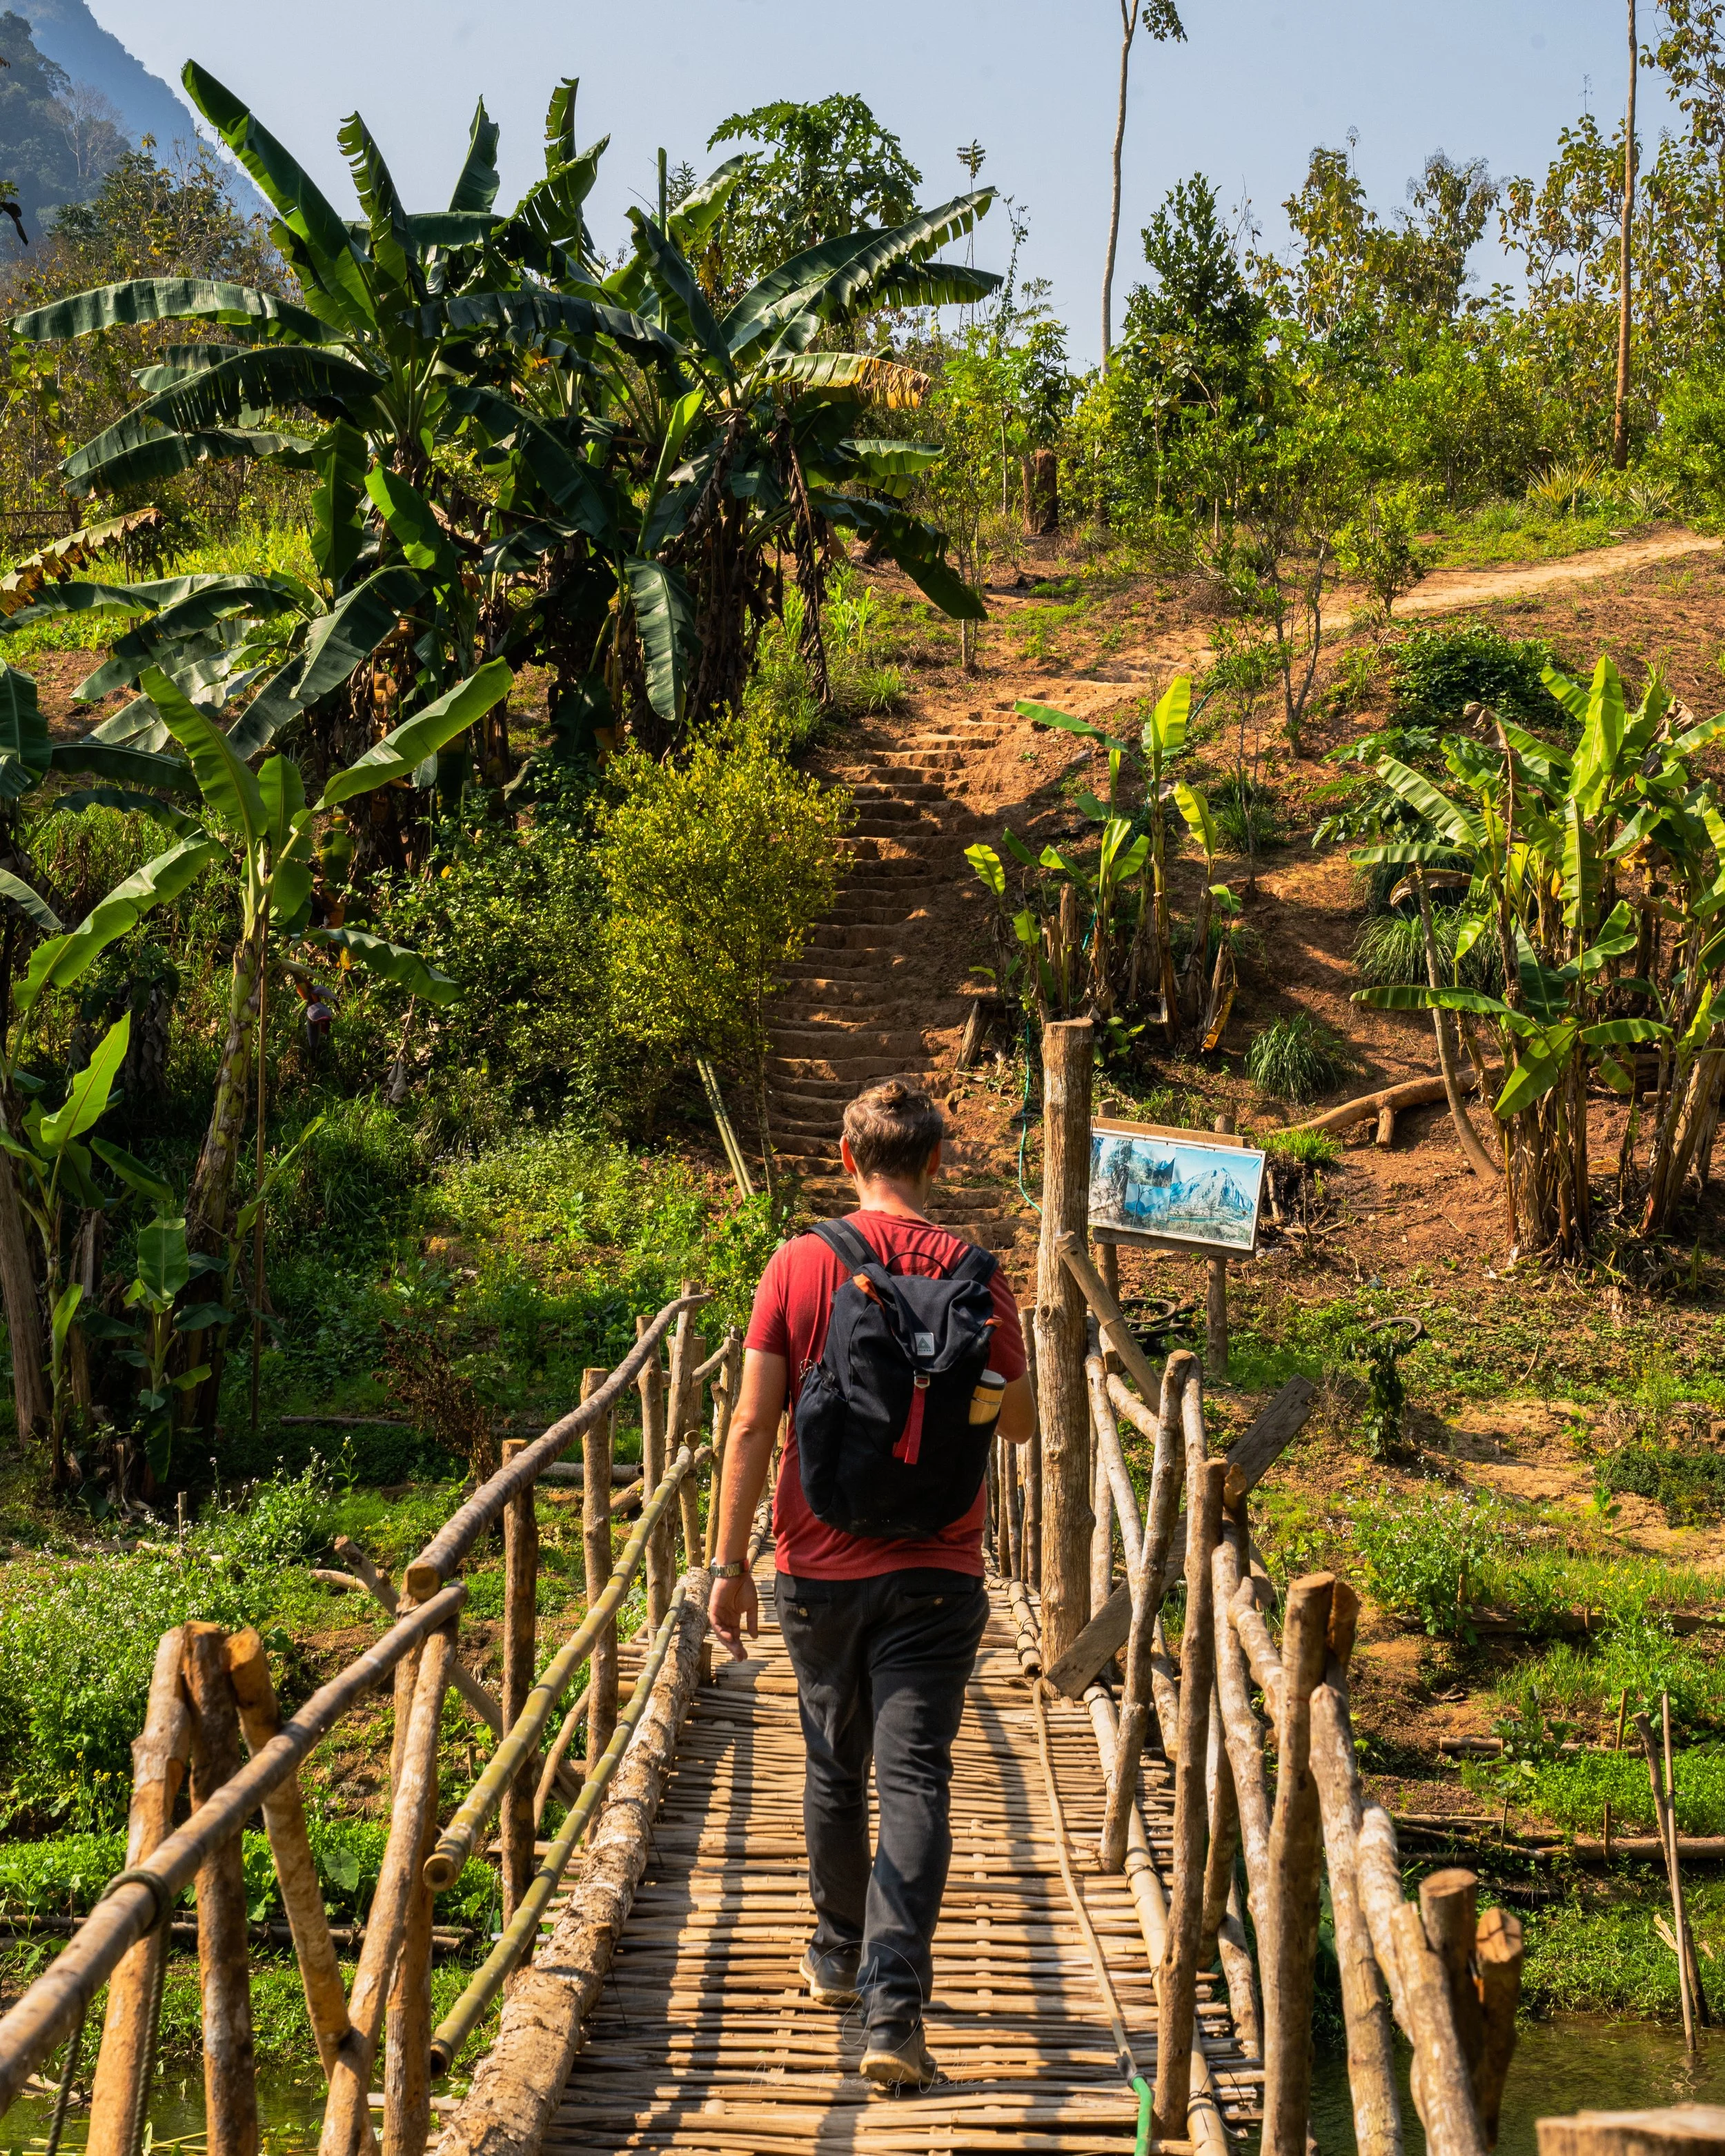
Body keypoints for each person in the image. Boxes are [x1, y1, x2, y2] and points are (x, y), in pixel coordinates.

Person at [708, 1078, 1036, 2090]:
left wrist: (729, 1567)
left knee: (832, 1768)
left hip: (815, 1568)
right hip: (939, 1571)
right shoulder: (981, 1277)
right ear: (939, 1161)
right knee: (917, 1781)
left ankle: (833, 1958)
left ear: (846, 1161)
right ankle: (896, 2014)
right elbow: (1019, 1425)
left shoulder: (800, 1263)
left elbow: (754, 1424)